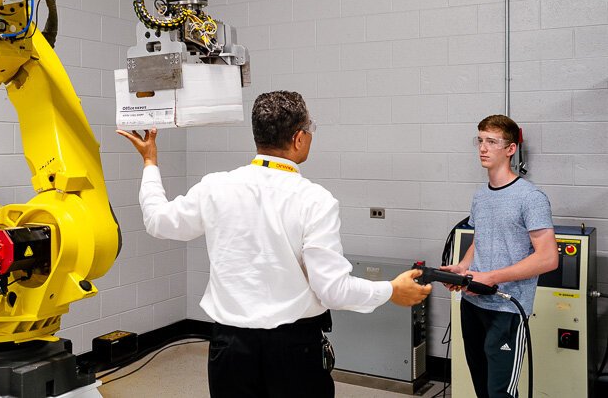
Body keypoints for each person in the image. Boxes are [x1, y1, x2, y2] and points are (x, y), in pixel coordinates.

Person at [117, 90, 431, 398]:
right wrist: (391, 290)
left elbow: (158, 221)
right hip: (294, 352)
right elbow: (332, 290)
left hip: (229, 350)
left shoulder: (216, 187)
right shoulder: (315, 200)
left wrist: (149, 162)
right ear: (299, 138)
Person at [442, 114, 558, 398]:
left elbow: (548, 258)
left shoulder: (531, 197)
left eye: (492, 141)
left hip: (506, 309)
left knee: (500, 392)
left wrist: (491, 277)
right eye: (480, 140)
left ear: (510, 149)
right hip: (472, 303)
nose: (483, 148)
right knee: (481, 386)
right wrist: (463, 267)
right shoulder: (481, 195)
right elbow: (481, 239)